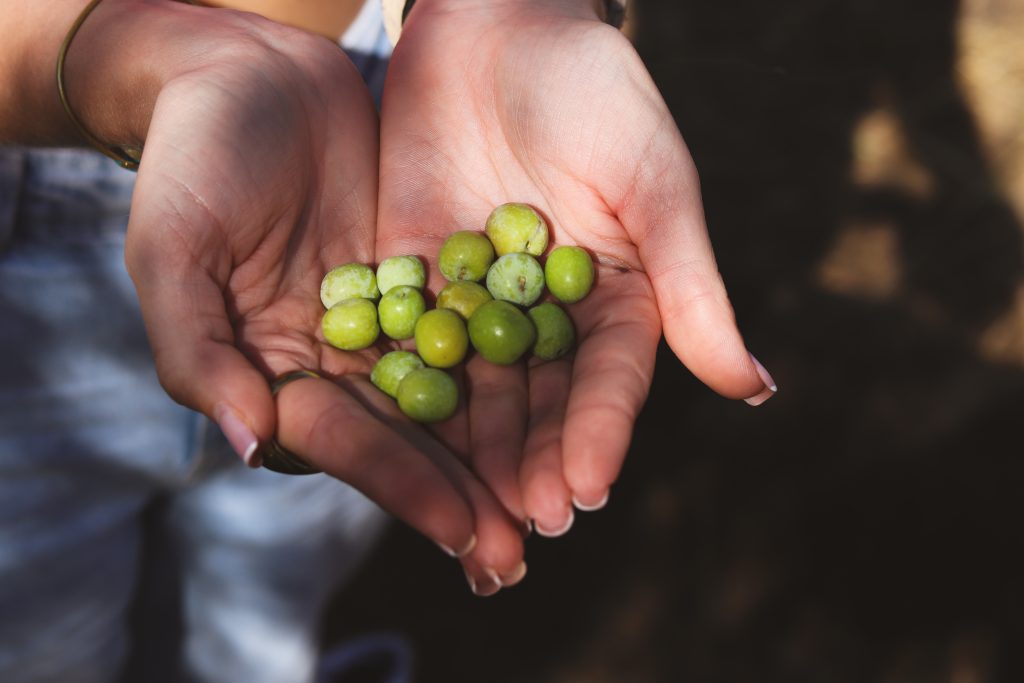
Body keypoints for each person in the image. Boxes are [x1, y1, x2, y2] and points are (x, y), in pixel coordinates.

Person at [0, 0, 776, 681]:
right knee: (39, 651)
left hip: (393, 131)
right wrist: (113, 54)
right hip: (33, 248)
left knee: (262, 637)